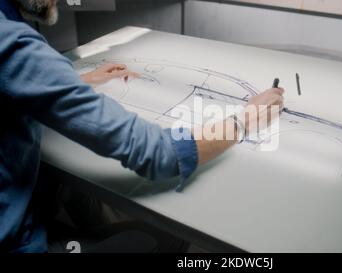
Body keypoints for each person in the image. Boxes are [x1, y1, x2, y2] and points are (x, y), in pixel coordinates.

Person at [0, 0, 284, 252]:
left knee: (83, 202)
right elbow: (159, 152)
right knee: (159, 238)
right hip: (19, 241)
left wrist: (77, 81)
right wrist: (245, 120)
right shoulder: (12, 42)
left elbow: (15, 82)